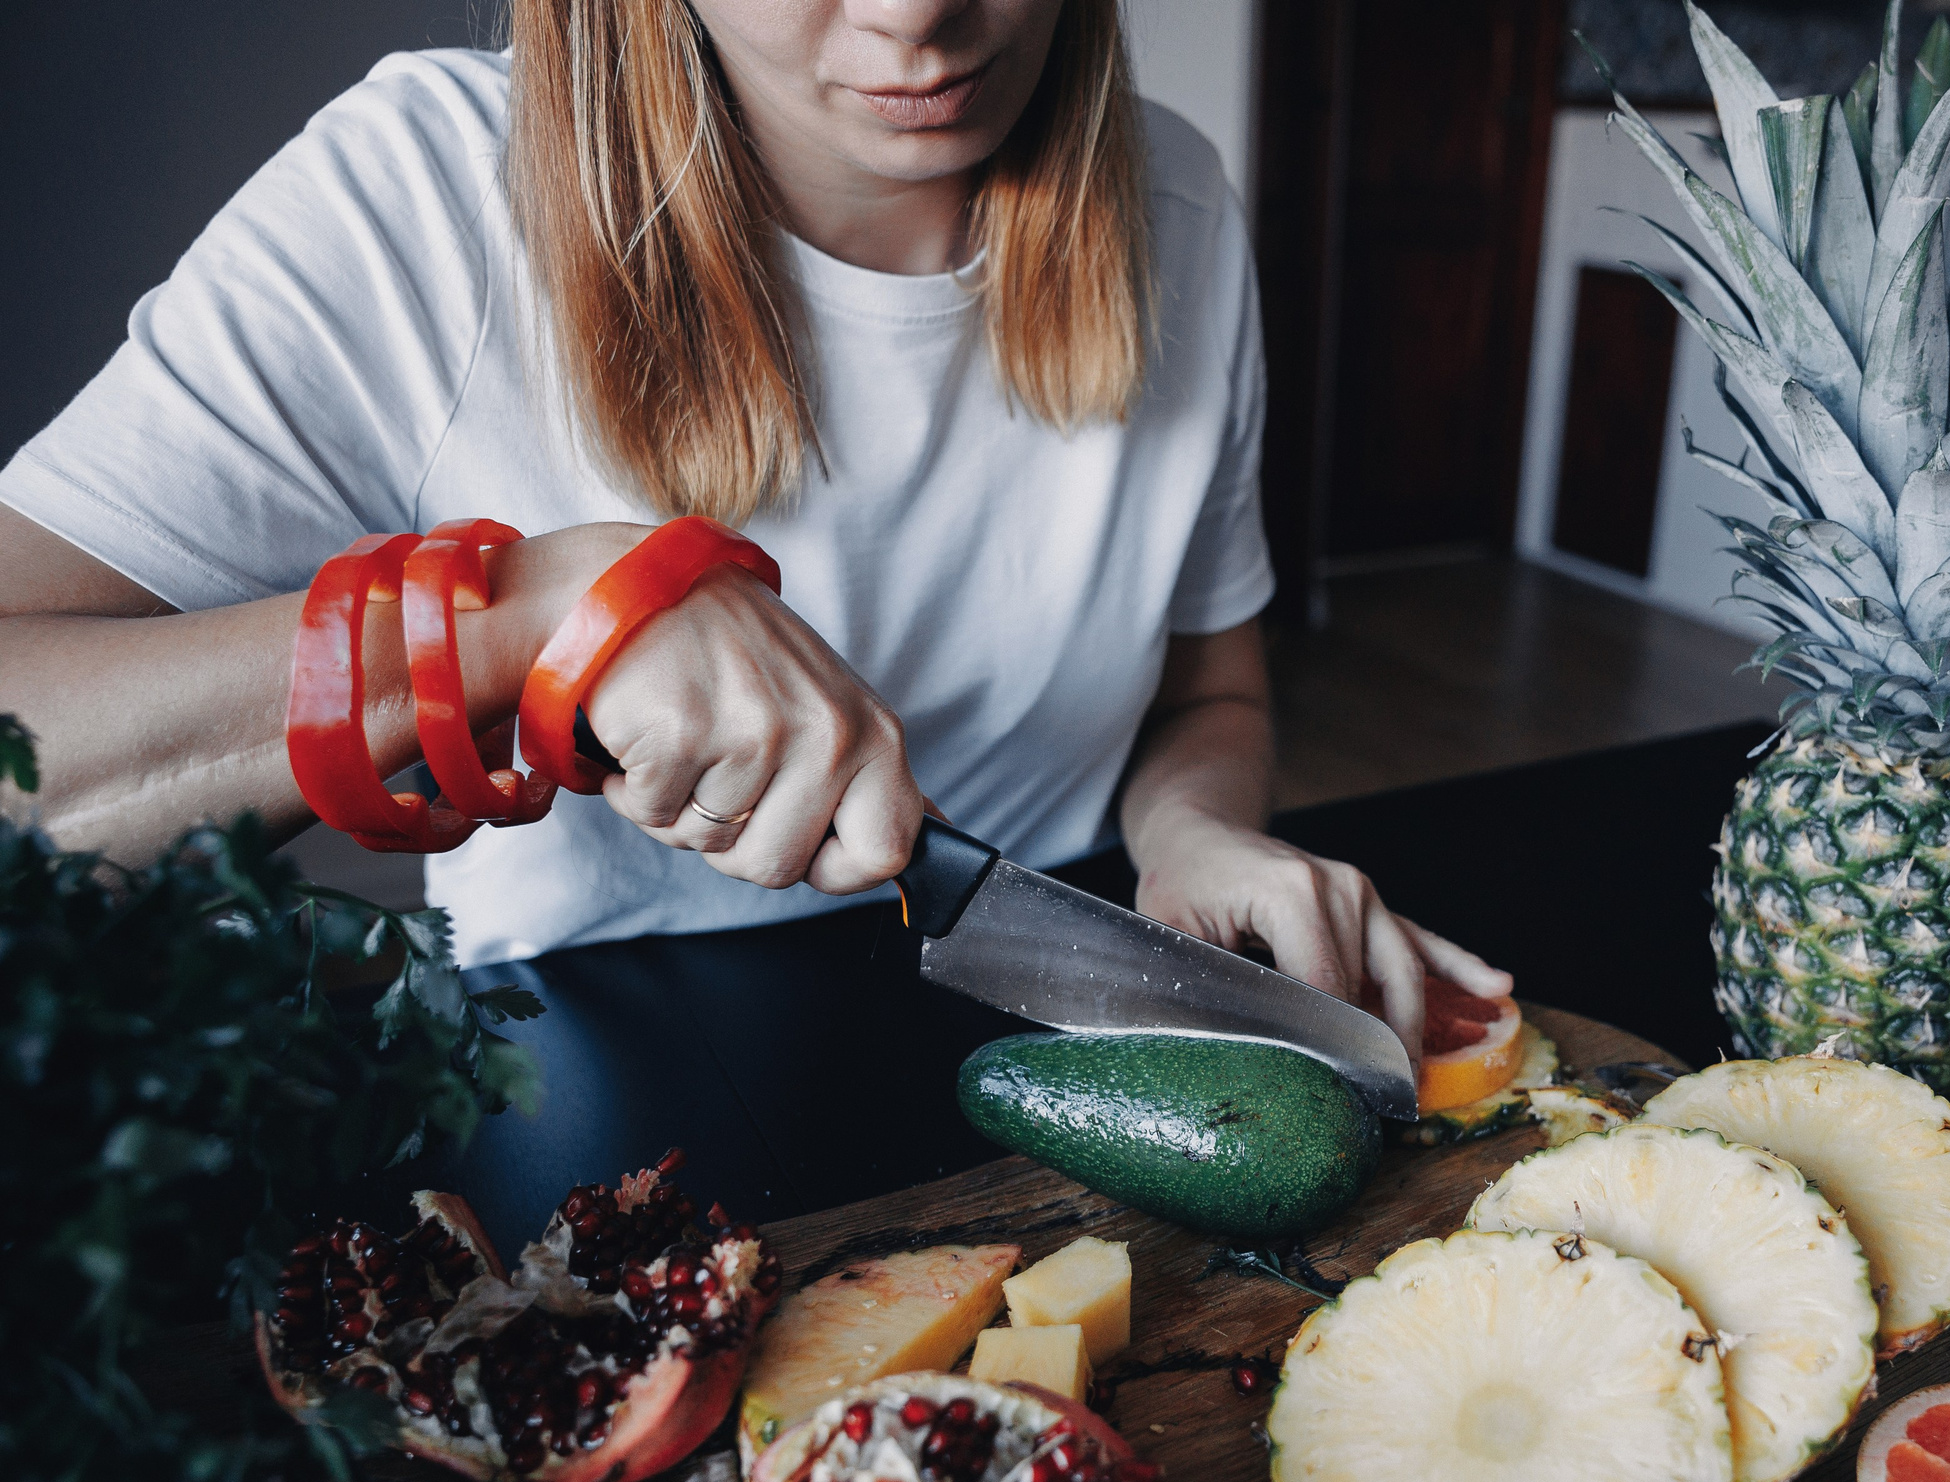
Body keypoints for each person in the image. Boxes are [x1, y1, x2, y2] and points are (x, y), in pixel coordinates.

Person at [0, 0, 1507, 1056]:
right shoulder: (424, 197)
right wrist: (535, 618)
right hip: (595, 1084)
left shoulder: (1181, 206)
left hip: (1066, 1037)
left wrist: (1193, 829)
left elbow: (1210, 691)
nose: (920, 16)